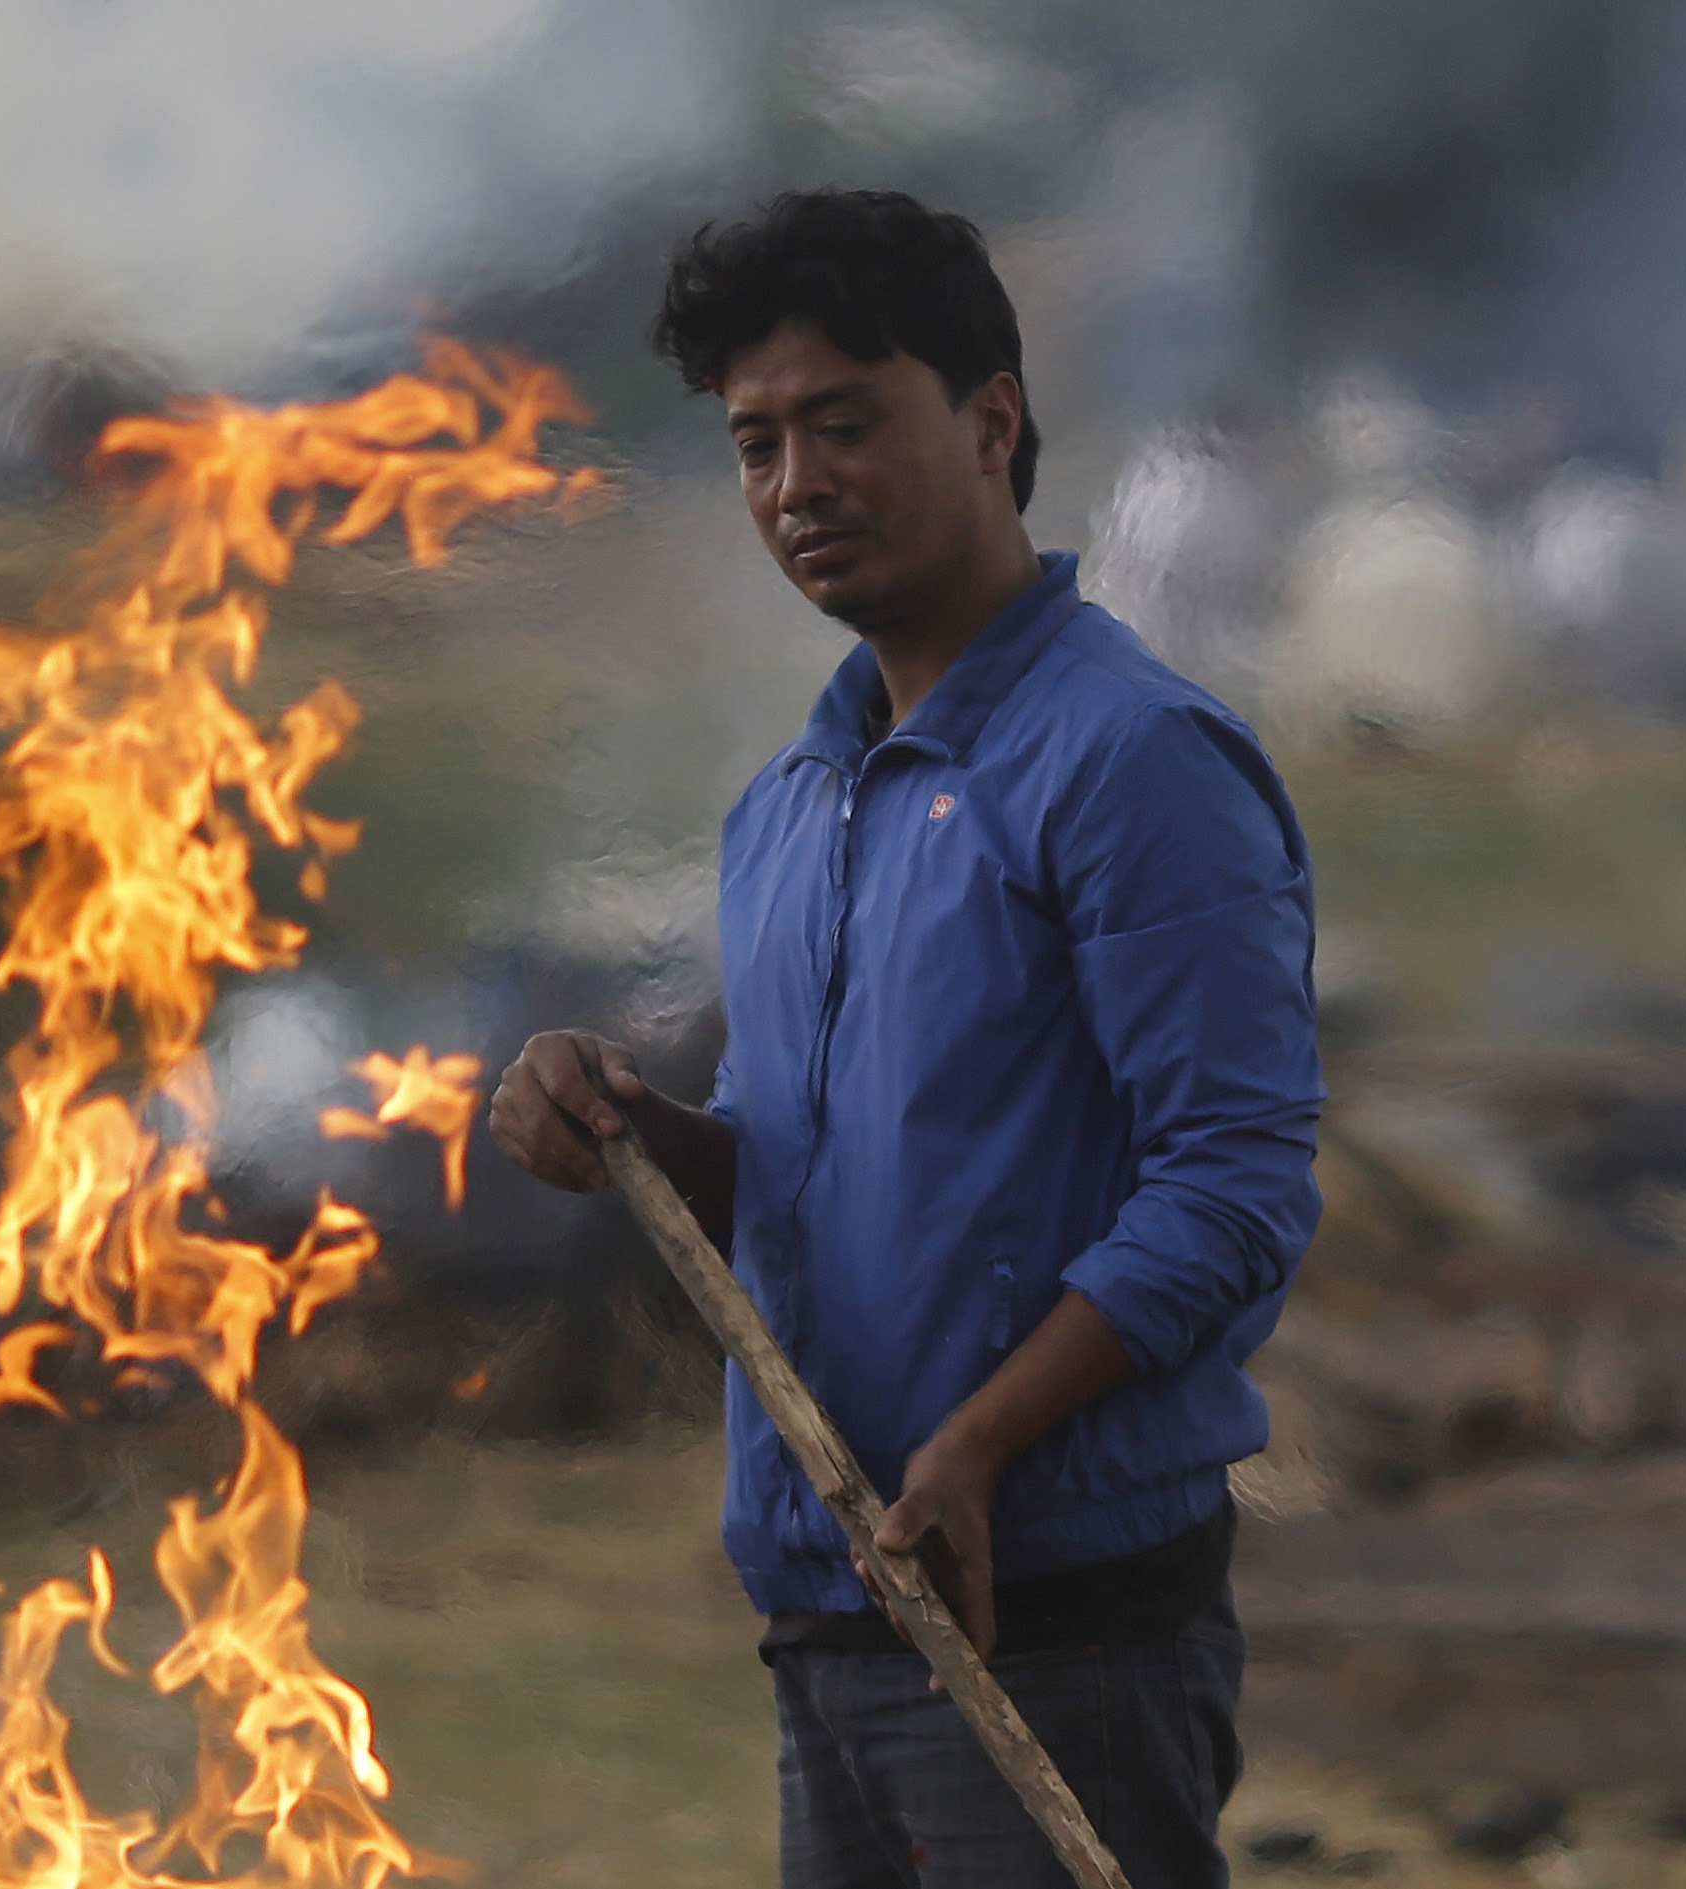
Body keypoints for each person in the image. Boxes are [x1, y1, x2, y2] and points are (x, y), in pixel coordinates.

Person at [487, 189, 1325, 1889]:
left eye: (844, 422)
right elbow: (798, 1191)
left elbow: (1232, 1187)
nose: (798, 485)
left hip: (1059, 1629)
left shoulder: (1132, 763)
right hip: (837, 1610)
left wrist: (983, 1444)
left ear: (992, 419)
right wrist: (636, 1132)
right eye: (755, 444)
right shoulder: (786, 810)